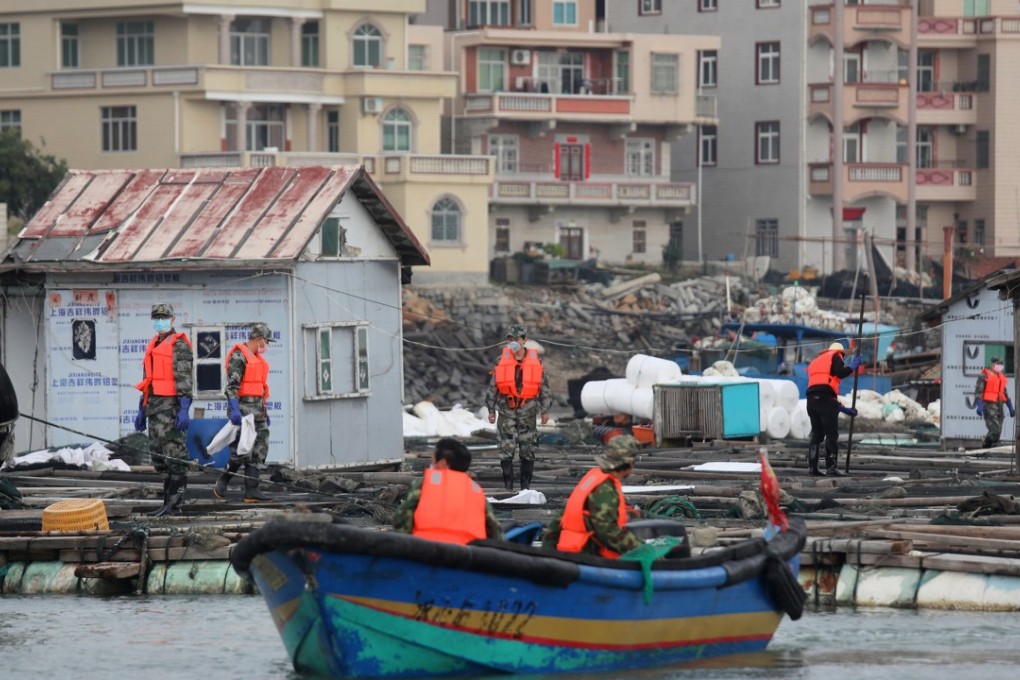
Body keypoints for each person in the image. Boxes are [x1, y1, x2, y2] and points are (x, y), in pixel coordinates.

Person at [134, 303, 194, 516]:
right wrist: (142, 409)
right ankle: (167, 504)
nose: (160, 320)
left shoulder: (179, 345)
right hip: (154, 408)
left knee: (175, 457)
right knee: (160, 458)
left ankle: (175, 506)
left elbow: (185, 379)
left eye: (164, 316)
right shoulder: (153, 345)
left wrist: (184, 408)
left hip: (171, 409)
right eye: (157, 317)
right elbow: (147, 380)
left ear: (172, 318)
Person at [392, 437, 504, 543]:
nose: (432, 464)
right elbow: (494, 530)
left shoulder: (422, 484)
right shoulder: (476, 490)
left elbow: (401, 519)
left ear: (443, 463)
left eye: (433, 460)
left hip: (426, 549)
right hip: (467, 554)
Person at [485, 324, 552, 491]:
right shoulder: (502, 360)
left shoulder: (536, 361)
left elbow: (544, 387)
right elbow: (493, 387)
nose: (513, 342)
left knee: (527, 449)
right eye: (510, 339)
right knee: (505, 448)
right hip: (506, 409)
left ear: (524, 341)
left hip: (528, 410)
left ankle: (525, 487)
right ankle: (508, 486)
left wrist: (545, 410)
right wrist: (491, 409)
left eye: (516, 339)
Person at [542, 448, 643, 559]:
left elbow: (561, 517)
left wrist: (548, 550)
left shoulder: (594, 476)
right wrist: (641, 548)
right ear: (627, 464)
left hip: (570, 549)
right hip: (585, 554)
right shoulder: (605, 489)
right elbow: (608, 532)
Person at [214, 323, 274, 502]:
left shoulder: (257, 359)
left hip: (258, 412)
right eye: (266, 341)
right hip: (242, 412)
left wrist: (265, 411)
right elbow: (232, 388)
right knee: (241, 453)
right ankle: (223, 480)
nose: (267, 345)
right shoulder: (239, 357)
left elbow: (260, 388)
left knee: (259, 451)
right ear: (258, 339)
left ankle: (252, 490)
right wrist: (234, 410)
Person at [806, 341, 862, 477]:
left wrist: (843, 409)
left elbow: (823, 390)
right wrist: (853, 366)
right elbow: (841, 373)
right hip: (825, 400)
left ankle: (813, 468)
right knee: (831, 434)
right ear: (841, 353)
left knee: (817, 435)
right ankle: (831, 467)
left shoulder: (816, 361)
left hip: (811, 399)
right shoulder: (836, 356)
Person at [975, 357, 1014, 448]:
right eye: (998, 364)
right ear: (993, 365)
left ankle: (990, 446)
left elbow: (1004, 393)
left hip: (999, 404)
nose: (999, 367)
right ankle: (986, 446)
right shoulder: (984, 376)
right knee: (995, 428)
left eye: (1001, 365)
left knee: (998, 430)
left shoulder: (1001, 377)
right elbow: (978, 392)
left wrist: (1010, 407)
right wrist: (979, 405)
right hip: (989, 404)